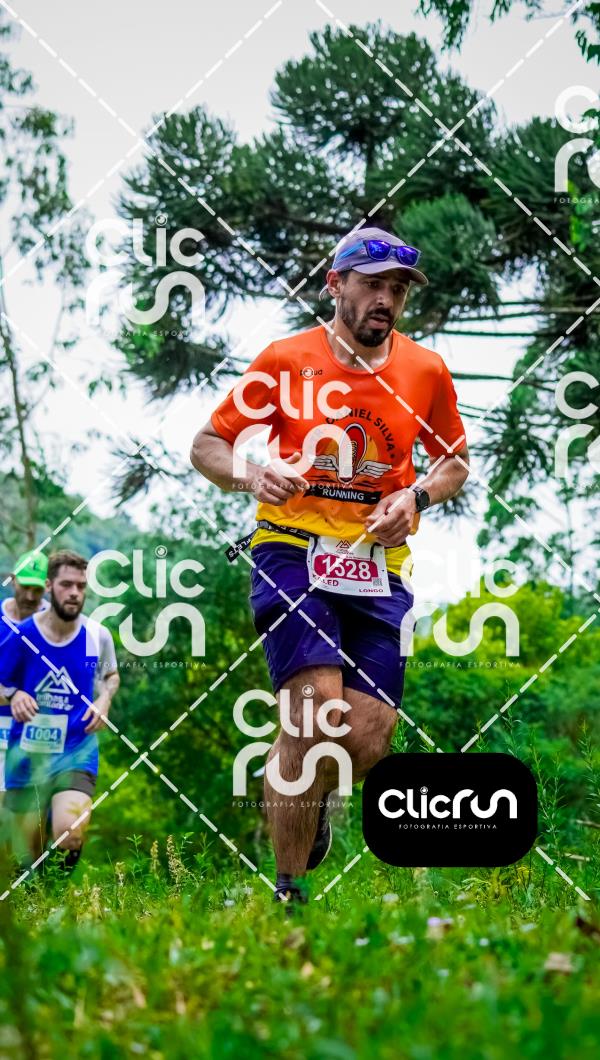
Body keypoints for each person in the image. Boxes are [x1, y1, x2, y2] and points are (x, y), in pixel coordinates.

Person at [190, 225, 469, 903]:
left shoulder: (426, 370)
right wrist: (253, 475)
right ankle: (289, 897)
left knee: (368, 740)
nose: (386, 300)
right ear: (335, 284)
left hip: (378, 563)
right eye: (372, 284)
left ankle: (305, 791)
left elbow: (454, 463)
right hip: (291, 551)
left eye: (397, 289)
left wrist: (416, 495)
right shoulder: (286, 360)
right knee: (313, 718)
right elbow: (207, 446)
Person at [0, 549, 120, 875]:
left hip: (76, 749)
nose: (74, 593)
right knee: (23, 854)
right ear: (50, 586)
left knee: (70, 833)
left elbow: (111, 675)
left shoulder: (97, 635)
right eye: (67, 585)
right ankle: (36, 896)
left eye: (81, 586)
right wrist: (14, 695)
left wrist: (105, 699)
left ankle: (57, 889)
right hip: (27, 754)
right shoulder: (22, 636)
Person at [0, 551, 50, 804]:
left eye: (37, 589)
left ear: (47, 587)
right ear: (12, 580)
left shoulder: (57, 623)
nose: (30, 596)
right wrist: (13, 695)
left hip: (40, 733)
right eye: (25, 587)